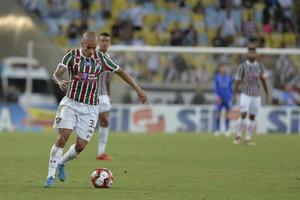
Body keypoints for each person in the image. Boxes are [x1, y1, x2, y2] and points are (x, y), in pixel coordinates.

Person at [44, 31, 147, 187]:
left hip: (91, 107)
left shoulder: (101, 58)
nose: (91, 51)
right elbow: (57, 72)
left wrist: (138, 89)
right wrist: (58, 80)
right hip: (70, 103)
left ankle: (62, 163)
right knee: (62, 137)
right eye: (88, 48)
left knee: (80, 146)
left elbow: (120, 72)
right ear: (82, 44)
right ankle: (50, 177)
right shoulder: (71, 56)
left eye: (93, 48)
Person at [233, 46, 268, 145]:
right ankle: (238, 136)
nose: (251, 55)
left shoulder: (260, 66)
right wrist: (234, 95)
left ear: (256, 54)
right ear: (247, 54)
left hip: (256, 95)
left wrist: (266, 92)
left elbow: (262, 79)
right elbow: (237, 81)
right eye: (249, 53)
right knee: (243, 114)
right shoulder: (242, 66)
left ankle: (247, 139)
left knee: (252, 117)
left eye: (253, 53)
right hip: (246, 94)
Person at [96, 32, 113, 160]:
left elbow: (108, 79)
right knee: (81, 124)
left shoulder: (108, 57)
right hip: (88, 94)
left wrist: (109, 95)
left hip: (103, 94)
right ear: (98, 42)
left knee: (105, 120)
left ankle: (101, 152)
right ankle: (74, 150)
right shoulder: (91, 54)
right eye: (102, 40)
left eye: (107, 41)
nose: (105, 43)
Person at [214, 64, 233, 136]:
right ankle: (217, 130)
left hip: (227, 98)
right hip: (219, 98)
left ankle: (227, 130)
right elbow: (216, 88)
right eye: (222, 68)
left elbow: (230, 88)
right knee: (218, 113)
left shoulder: (229, 78)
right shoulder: (217, 78)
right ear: (220, 69)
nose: (224, 69)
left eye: (225, 68)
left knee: (227, 114)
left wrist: (232, 96)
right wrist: (217, 96)